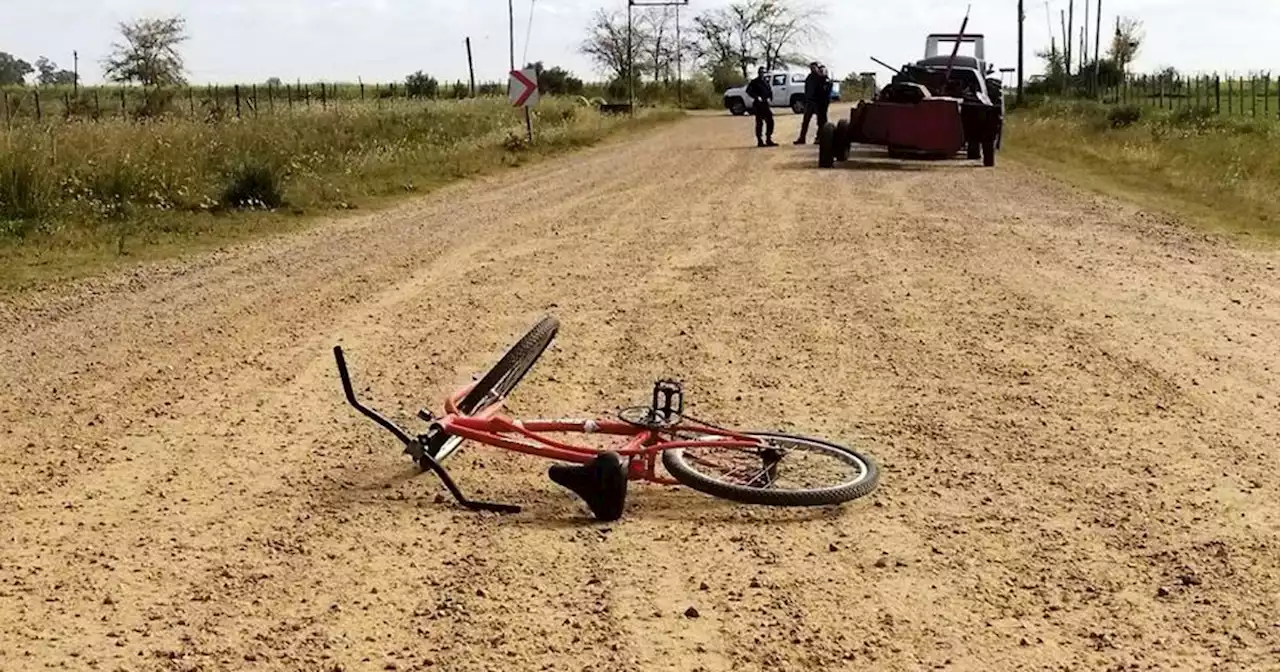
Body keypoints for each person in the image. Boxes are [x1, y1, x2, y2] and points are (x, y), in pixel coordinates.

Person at [795, 62, 832, 144]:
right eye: (811, 68)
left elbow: (824, 91)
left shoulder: (821, 78)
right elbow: (807, 90)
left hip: (817, 103)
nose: (812, 69)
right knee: (805, 121)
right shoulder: (809, 78)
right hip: (809, 102)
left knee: (820, 121)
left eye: (814, 67)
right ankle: (802, 138)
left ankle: (819, 138)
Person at [745, 67, 777, 147]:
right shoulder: (754, 82)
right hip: (758, 105)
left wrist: (770, 97)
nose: (762, 73)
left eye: (763, 72)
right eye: (761, 72)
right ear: (758, 73)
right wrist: (756, 97)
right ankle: (760, 140)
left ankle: (768, 139)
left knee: (770, 121)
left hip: (765, 104)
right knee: (759, 123)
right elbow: (748, 91)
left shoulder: (766, 81)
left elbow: (769, 90)